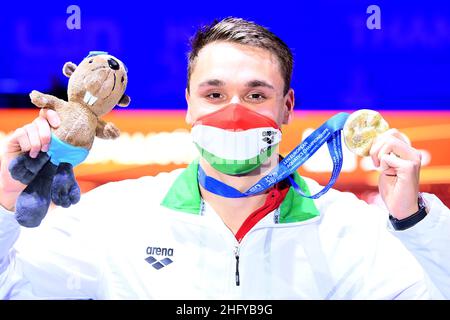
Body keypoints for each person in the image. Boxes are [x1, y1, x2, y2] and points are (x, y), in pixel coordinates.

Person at [0, 17, 449, 300]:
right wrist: (3, 202)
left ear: (287, 106)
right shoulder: (113, 218)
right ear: (189, 106)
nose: (234, 113)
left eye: (256, 94)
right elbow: (12, 289)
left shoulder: (350, 228)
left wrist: (415, 221)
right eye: (214, 94)